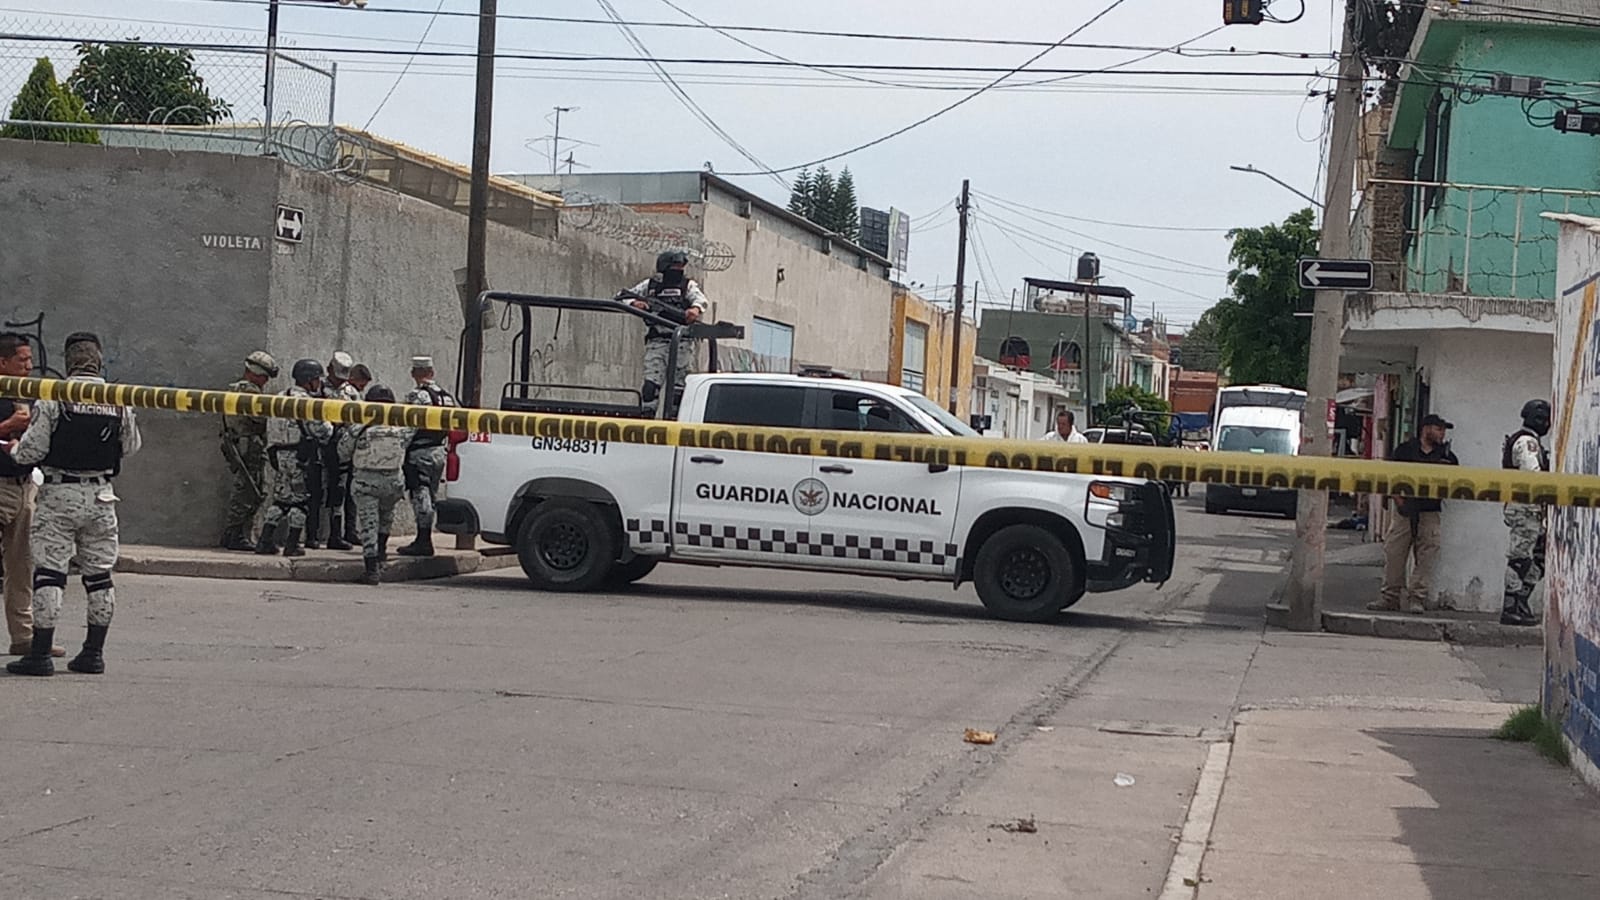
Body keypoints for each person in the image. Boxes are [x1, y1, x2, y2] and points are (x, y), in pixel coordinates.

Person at [5, 332, 141, 677]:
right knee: (99, 577)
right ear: (99, 360)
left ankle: (40, 655)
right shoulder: (117, 398)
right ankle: (93, 653)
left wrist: (15, 451)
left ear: (68, 361)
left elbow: (32, 450)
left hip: (59, 495)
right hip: (101, 496)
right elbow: (131, 446)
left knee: (50, 573)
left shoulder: (56, 397)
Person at [0, 334, 61, 658]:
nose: (28, 366)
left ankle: (23, 637)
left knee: (21, 566)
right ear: (3, 362)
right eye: (21, 360)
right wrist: (8, 424)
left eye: (29, 360)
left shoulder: (32, 395)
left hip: (24, 486)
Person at [1371, 413, 1459, 614]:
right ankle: (1390, 597)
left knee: (1427, 556)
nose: (1442, 433)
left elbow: (1455, 483)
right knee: (1394, 554)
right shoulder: (1405, 450)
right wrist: (1399, 501)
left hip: (1430, 511)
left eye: (1443, 430)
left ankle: (1417, 598)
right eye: (1438, 429)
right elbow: (1390, 478)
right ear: (1426, 428)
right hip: (1405, 511)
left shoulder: (1446, 456)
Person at [256, 359, 333, 558]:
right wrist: (330, 425)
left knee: (281, 499)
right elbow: (321, 430)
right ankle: (292, 544)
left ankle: (265, 540)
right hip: (301, 457)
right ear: (309, 380)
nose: (319, 384)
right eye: (317, 379)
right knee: (301, 501)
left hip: (279, 455)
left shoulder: (279, 397)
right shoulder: (308, 402)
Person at [340, 384, 414, 585]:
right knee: (386, 517)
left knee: (368, 524)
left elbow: (343, 452)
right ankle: (381, 555)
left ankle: (371, 570)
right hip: (393, 481)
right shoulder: (401, 426)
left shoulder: (359, 427)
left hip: (366, 482)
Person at [620, 248, 707, 410]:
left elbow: (700, 300)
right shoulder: (650, 285)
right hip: (657, 341)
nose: (679, 271)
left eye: (681, 268)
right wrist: (634, 303)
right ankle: (647, 418)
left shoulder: (687, 285)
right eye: (675, 268)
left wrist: (695, 309)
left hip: (681, 343)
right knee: (650, 387)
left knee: (678, 391)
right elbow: (622, 296)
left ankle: (675, 420)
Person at [397, 356, 457, 558]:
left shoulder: (417, 396)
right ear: (432, 372)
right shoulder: (447, 397)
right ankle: (424, 538)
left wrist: (398, 449)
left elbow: (409, 427)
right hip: (439, 451)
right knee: (430, 495)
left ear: (414, 373)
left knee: (419, 494)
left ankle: (423, 541)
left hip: (420, 453)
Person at [219, 350, 277, 552]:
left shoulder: (234, 389)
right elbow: (259, 419)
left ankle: (233, 534)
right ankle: (236, 535)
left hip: (238, 444)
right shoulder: (250, 393)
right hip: (248, 446)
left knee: (246, 489)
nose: (264, 381)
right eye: (263, 376)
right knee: (250, 490)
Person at [1501, 399, 1551, 627]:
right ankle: (1511, 606)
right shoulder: (1527, 442)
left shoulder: (1530, 441)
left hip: (1533, 510)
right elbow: (1534, 474)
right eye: (1543, 419)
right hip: (1525, 509)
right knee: (1520, 559)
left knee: (1539, 559)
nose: (1547, 423)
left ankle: (1521, 600)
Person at [307, 350, 359, 551]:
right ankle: (312, 535)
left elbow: (358, 418)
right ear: (329, 370)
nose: (339, 382)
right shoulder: (317, 390)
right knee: (316, 491)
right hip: (321, 446)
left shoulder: (352, 392)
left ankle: (336, 535)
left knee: (339, 492)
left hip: (343, 447)